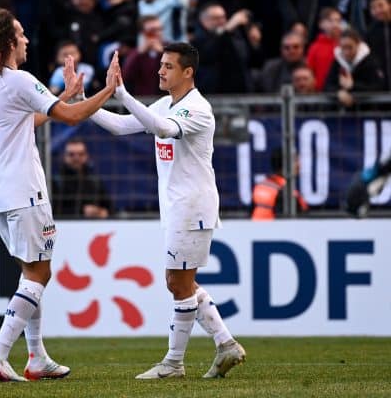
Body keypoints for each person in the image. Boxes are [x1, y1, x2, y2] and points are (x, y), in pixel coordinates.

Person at [0, 8, 120, 382]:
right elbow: (71, 117)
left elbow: (21, 122)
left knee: (29, 273)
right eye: (20, 34)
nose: (27, 40)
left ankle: (36, 357)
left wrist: (61, 96)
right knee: (39, 273)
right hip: (22, 189)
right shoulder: (18, 80)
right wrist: (109, 90)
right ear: (5, 42)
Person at [87, 42, 245, 379]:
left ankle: (174, 363)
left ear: (188, 72)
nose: (160, 71)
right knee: (181, 282)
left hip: (192, 206)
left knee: (178, 282)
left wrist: (123, 93)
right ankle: (225, 343)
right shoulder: (167, 103)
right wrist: (79, 104)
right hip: (178, 207)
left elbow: (163, 129)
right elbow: (120, 126)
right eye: (160, 64)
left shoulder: (197, 108)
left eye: (168, 66)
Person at [323, 29, 385, 108]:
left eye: (350, 47)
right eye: (343, 47)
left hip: (368, 110)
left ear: (358, 44)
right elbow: (327, 86)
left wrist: (353, 86)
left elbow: (378, 86)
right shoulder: (337, 61)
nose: (346, 52)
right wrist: (338, 93)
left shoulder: (370, 61)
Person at [52, 137, 112, 218]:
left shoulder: (94, 180)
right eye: (71, 154)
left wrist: (100, 211)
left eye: (81, 154)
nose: (76, 158)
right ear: (64, 156)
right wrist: (83, 211)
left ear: (86, 156)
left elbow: (110, 208)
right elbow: (52, 211)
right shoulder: (56, 181)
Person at [251, 147, 308, 220]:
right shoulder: (287, 194)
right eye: (296, 160)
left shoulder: (260, 187)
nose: (299, 165)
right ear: (286, 165)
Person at [122, 15, 165, 96]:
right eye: (153, 30)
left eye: (160, 29)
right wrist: (139, 53)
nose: (158, 33)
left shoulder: (172, 49)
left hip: (168, 100)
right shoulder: (135, 53)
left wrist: (163, 53)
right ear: (143, 33)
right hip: (143, 100)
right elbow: (126, 76)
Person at [306, 7, 343, 91]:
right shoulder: (314, 48)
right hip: (320, 94)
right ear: (320, 24)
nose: (335, 24)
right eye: (330, 21)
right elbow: (309, 71)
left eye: (338, 21)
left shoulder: (346, 45)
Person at [366, 0, 391, 90]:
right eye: (373, 8)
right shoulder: (370, 31)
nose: (377, 11)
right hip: (381, 83)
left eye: (380, 5)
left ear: (389, 5)